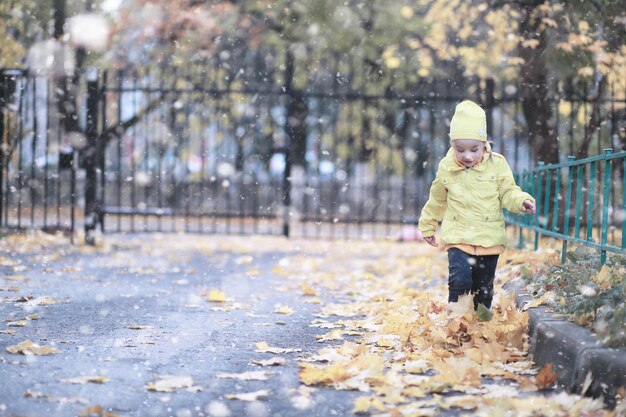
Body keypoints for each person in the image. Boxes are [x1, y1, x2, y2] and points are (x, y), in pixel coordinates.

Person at [418, 100, 536, 310]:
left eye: (474, 149)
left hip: (489, 239)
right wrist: (428, 225)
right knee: (460, 282)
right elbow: (437, 199)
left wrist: (521, 201)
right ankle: (457, 322)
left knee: (483, 289)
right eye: (460, 149)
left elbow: (508, 191)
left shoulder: (497, 164)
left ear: (484, 144)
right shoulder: (446, 167)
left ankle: (482, 325)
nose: (468, 156)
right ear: (452, 145)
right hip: (458, 237)